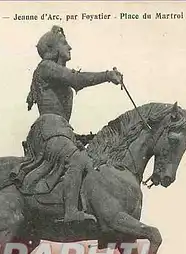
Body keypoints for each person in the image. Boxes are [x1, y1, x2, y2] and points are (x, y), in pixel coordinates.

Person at [17, 26, 122, 222]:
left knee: (89, 162)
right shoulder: (46, 66)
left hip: (60, 130)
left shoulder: (53, 70)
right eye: (65, 44)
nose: (70, 47)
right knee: (78, 160)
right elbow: (76, 79)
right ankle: (71, 212)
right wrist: (107, 75)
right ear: (53, 48)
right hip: (50, 129)